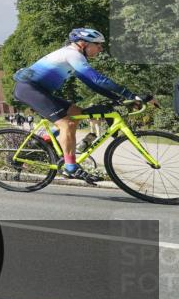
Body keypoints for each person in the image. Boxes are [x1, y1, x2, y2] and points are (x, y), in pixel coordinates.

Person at [12, 28, 155, 184]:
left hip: (40, 90)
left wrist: (117, 99)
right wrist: (129, 95)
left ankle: (44, 142)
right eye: (98, 45)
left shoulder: (73, 57)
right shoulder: (72, 54)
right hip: (28, 89)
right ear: (83, 44)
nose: (100, 49)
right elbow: (99, 80)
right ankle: (70, 167)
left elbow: (92, 84)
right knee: (67, 124)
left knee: (77, 113)